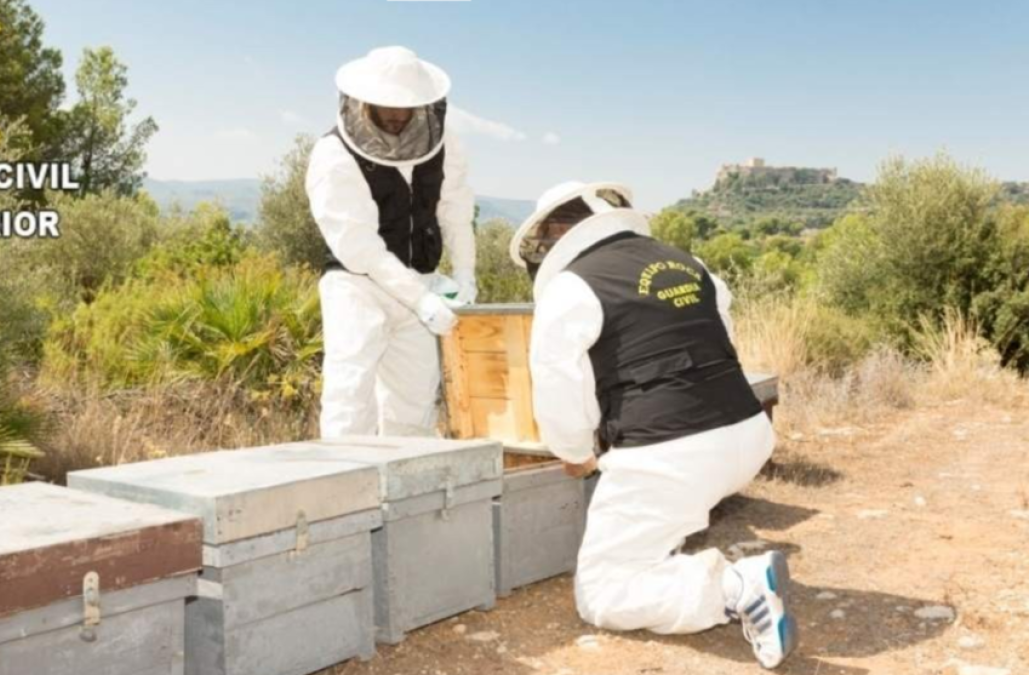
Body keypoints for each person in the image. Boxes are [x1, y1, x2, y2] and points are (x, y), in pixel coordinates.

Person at [510, 181, 798, 669]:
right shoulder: (687, 262)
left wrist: (576, 453)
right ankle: (671, 554)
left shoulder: (571, 285)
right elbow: (721, 340)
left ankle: (735, 588)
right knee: (659, 517)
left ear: (559, 230)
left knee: (602, 594)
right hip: (746, 432)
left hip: (671, 453)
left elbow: (558, 384)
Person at [305, 46, 476, 438]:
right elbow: (359, 247)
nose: (399, 115)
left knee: (414, 408)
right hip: (357, 288)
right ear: (364, 101)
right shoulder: (333, 154)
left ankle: (405, 498)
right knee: (350, 403)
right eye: (389, 105)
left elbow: (456, 208)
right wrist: (419, 298)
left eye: (408, 106)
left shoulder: (445, 141)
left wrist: (466, 273)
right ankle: (347, 495)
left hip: (422, 285)